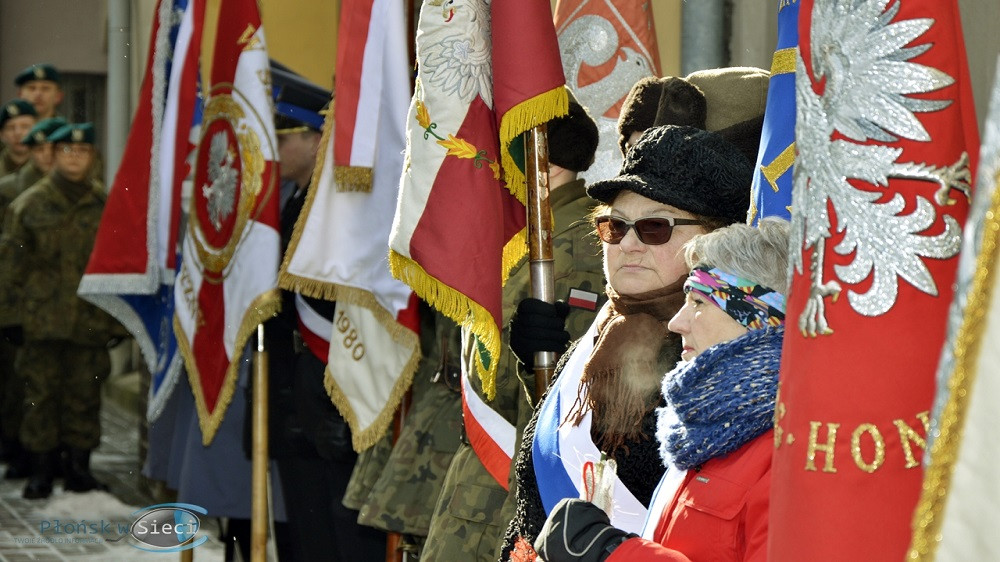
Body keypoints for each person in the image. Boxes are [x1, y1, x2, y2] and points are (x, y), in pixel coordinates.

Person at [499, 123, 756, 560]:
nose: (628, 244)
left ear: (714, 238)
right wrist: (535, 365)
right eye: (614, 227)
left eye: (654, 228)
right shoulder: (600, 331)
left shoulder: (726, 355)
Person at [415, 98, 606, 562]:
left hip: (511, 483)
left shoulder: (573, 244)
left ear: (542, 163)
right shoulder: (525, 233)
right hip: (484, 473)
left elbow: (566, 383)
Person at [532, 218, 790, 562]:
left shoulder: (790, 455)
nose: (676, 322)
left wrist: (612, 554)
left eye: (698, 303)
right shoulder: (701, 432)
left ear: (757, 318)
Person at [0, 123, 124, 499]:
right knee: (39, 396)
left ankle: (79, 470)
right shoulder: (29, 205)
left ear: (93, 157)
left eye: (83, 151)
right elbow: (10, 270)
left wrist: (119, 320)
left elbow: (118, 267)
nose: (74, 157)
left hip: (90, 321)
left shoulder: (106, 205)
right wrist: (10, 319)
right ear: (53, 155)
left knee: (85, 396)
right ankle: (41, 472)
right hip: (42, 321)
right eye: (67, 150)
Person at [0, 100, 38, 179]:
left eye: (25, 126)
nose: (18, 133)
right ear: (2, 134)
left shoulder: (46, 167)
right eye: (10, 128)